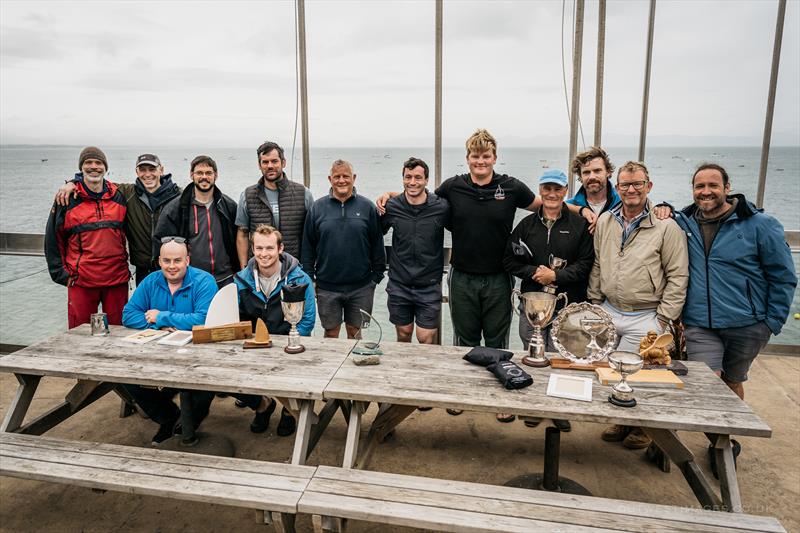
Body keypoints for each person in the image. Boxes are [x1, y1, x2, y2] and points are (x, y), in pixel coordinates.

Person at [673, 163, 796, 401]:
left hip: (747, 325)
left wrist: (771, 323)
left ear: (727, 188)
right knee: (707, 383)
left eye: (713, 185)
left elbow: (783, 276)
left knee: (732, 382)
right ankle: (714, 424)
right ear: (693, 190)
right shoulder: (685, 223)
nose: (706, 191)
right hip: (699, 323)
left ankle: (727, 428)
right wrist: (663, 207)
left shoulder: (760, 225)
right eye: (699, 186)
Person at [588, 160, 688, 449]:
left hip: (646, 314)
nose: (631, 190)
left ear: (649, 186)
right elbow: (598, 264)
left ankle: (644, 427)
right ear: (617, 188)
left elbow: (678, 276)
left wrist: (663, 319)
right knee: (612, 372)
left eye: (637, 184)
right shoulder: (606, 221)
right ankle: (623, 421)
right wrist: (595, 302)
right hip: (609, 309)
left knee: (640, 375)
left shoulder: (666, 227)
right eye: (625, 184)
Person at [503, 169, 594, 432]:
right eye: (547, 189)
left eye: (557, 189)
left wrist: (557, 275)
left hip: (567, 305)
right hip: (532, 305)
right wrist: (534, 272)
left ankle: (559, 409)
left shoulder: (579, 225)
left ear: (566, 191)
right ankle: (533, 406)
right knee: (532, 355)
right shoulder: (526, 225)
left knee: (562, 358)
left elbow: (586, 264)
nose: (552, 194)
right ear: (540, 191)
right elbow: (509, 260)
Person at [121, 237, 218, 445]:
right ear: (159, 261)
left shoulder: (204, 281)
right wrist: (157, 325)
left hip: (198, 355)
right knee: (125, 376)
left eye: (177, 260)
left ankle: (188, 424)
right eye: (166, 261)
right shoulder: (151, 281)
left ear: (187, 260)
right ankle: (169, 418)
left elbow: (203, 319)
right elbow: (128, 314)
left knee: (207, 386)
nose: (172, 266)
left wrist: (162, 316)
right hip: (157, 353)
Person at [234, 224, 316, 436]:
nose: (264, 254)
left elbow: (307, 320)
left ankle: (289, 411)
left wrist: (291, 343)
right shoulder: (241, 280)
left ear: (280, 249)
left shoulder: (300, 279)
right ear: (253, 249)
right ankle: (262, 405)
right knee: (227, 373)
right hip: (256, 345)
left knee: (297, 370)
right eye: (259, 248)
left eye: (270, 248)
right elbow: (234, 317)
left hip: (289, 343)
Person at [55, 153, 181, 285]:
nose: (147, 174)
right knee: (145, 299)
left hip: (173, 266)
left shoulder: (178, 195)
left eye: (152, 169)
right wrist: (73, 182)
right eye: (143, 170)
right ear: (136, 172)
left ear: (161, 170)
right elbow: (96, 182)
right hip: (143, 269)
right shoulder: (127, 193)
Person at [45, 146, 130, 328]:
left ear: (105, 167)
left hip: (117, 279)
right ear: (81, 167)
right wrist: (61, 274)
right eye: (88, 162)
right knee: (79, 333)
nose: (94, 167)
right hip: (81, 281)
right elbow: (53, 238)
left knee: (119, 332)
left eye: (98, 163)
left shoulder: (119, 196)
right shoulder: (67, 199)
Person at [301, 159, 385, 339]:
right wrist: (310, 278)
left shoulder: (367, 207)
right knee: (331, 333)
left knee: (355, 333)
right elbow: (308, 247)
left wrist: (375, 278)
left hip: (361, 287)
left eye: (346, 176)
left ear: (354, 178)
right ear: (330, 179)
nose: (341, 180)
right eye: (337, 176)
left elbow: (377, 244)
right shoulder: (317, 208)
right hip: (326, 287)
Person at [380, 157, 450, 344]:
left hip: (429, 285)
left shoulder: (441, 207)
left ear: (426, 180)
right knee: (403, 334)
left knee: (425, 337)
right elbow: (375, 233)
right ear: (403, 179)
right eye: (408, 177)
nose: (412, 182)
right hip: (399, 283)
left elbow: (461, 228)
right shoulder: (392, 207)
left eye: (418, 177)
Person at [154, 155, 241, 287]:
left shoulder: (229, 206)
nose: (204, 177)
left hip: (226, 278)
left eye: (208, 173)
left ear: (216, 175)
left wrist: (239, 270)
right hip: (192, 280)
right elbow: (160, 243)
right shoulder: (176, 209)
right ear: (191, 175)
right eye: (199, 173)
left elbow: (240, 239)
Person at [235, 141, 314, 265]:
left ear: (283, 163)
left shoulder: (304, 194)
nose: (270, 166)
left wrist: (308, 268)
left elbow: (311, 235)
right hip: (259, 268)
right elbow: (243, 234)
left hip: (293, 268)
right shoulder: (247, 195)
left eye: (274, 161)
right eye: (265, 162)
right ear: (259, 165)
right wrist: (244, 269)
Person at [566, 146, 621, 232]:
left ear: (608, 172)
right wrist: (581, 210)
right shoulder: (569, 206)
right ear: (580, 177)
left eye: (597, 171)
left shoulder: (621, 205)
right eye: (586, 172)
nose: (592, 177)